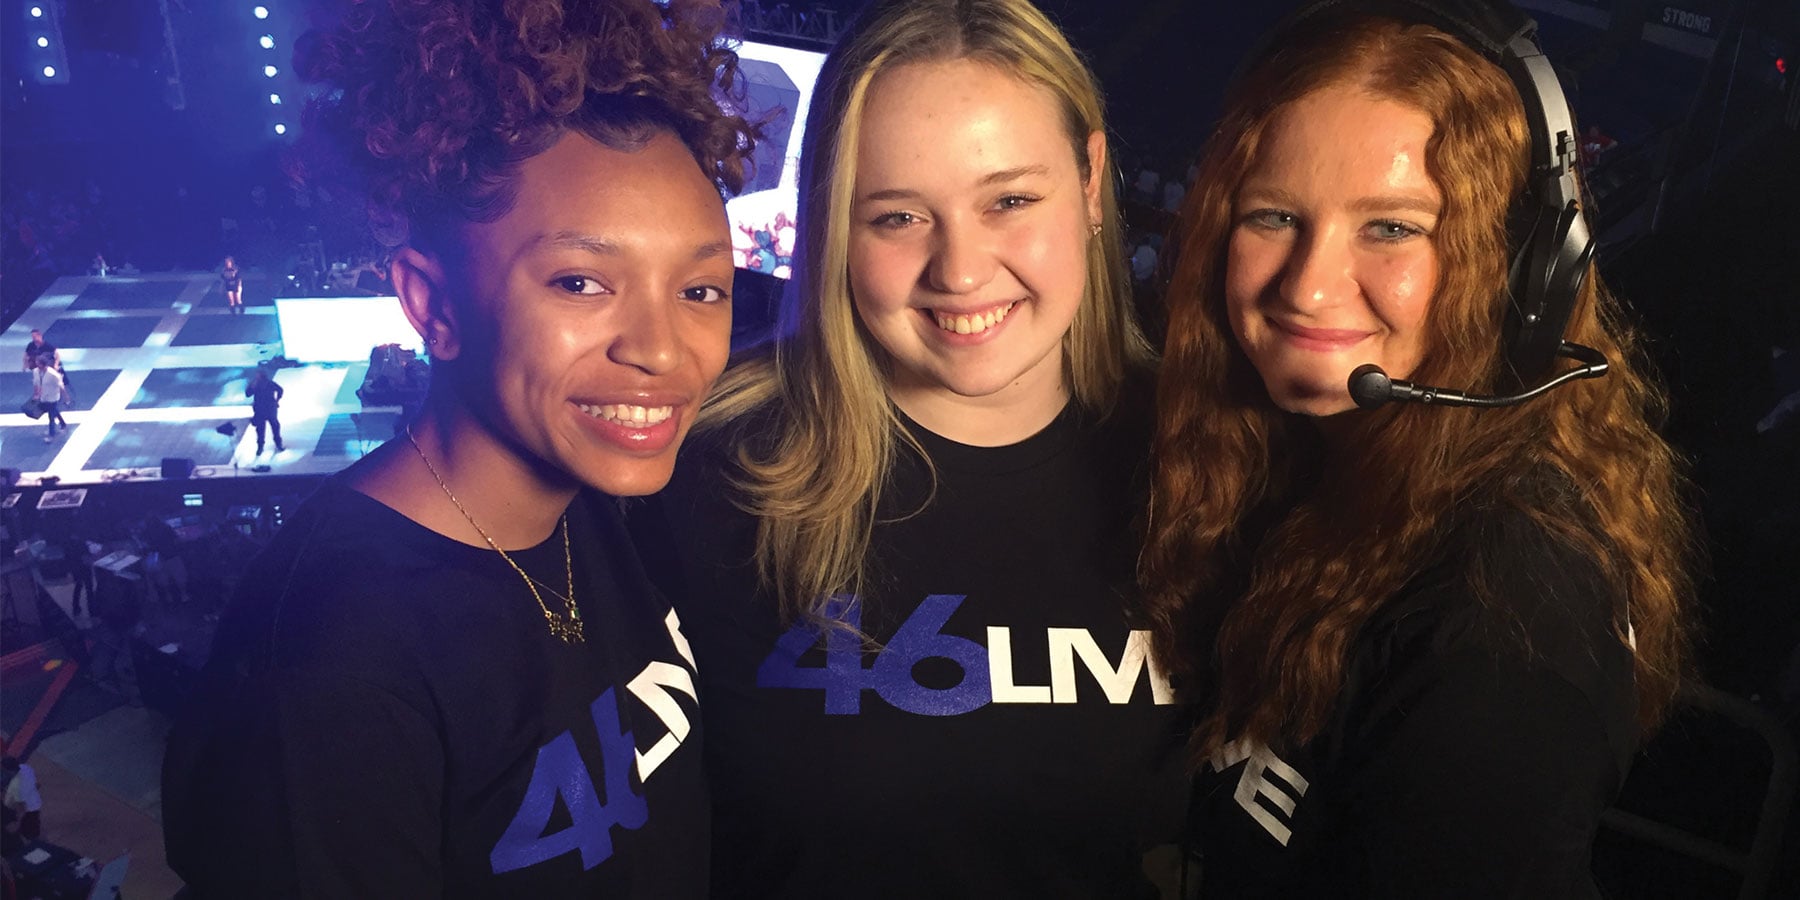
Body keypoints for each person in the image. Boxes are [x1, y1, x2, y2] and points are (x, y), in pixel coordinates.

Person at [160, 0, 756, 896]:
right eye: (581, 281)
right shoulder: (331, 664)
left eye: (702, 289)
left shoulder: (603, 502)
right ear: (432, 306)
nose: (664, 350)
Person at [632, 0, 1185, 895]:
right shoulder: (706, 467)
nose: (960, 271)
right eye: (896, 217)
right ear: (834, 224)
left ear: (1090, 183)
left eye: (1009, 199)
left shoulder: (1204, 461)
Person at [1139, 7, 1693, 897]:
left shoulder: (1504, 615)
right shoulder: (1309, 461)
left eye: (1392, 227)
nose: (1308, 286)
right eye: (1273, 215)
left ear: (1522, 271)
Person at [1, 758, 41, 842]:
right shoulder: (25, 767)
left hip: (26, 809)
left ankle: (33, 840)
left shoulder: (16, 786)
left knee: (28, 828)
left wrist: (18, 819)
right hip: (34, 802)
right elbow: (36, 784)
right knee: (35, 823)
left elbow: (20, 806)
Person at [246, 368, 284, 454]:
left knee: (263, 429)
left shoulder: (259, 384)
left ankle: (262, 447)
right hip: (268, 409)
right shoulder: (268, 383)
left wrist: (277, 400)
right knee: (272, 427)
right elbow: (280, 390)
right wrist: (277, 400)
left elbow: (247, 394)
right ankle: (277, 445)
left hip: (263, 409)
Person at [30, 354, 67, 443]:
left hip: (52, 397)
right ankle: (63, 424)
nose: (37, 365)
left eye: (38, 363)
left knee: (51, 416)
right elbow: (36, 383)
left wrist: (66, 396)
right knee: (53, 411)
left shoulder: (53, 374)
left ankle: (52, 434)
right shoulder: (35, 372)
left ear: (43, 364)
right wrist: (36, 394)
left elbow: (61, 386)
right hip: (43, 396)